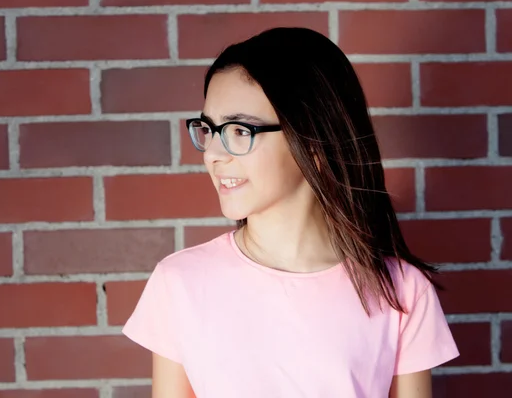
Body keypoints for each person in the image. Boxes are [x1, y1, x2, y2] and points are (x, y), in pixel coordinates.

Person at [122, 27, 459, 398]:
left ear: (314, 142)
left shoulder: (403, 292)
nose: (214, 153)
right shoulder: (179, 283)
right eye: (209, 129)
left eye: (238, 130)